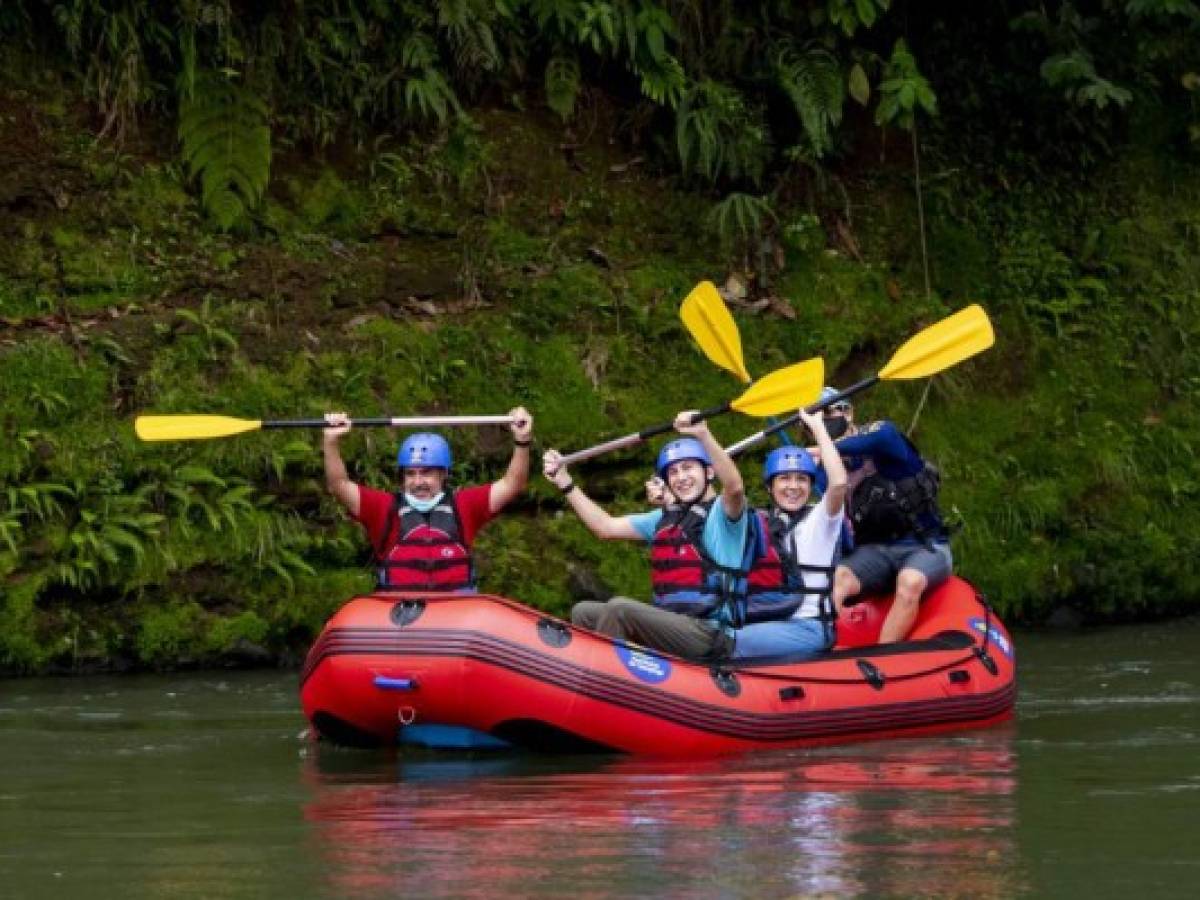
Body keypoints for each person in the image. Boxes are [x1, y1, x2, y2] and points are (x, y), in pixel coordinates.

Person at [542, 412, 752, 661]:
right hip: (672, 623)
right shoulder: (663, 519)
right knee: (584, 612)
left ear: (708, 472)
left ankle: (594, 680)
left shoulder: (724, 514)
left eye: (688, 468)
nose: (681, 477)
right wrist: (566, 483)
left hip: (709, 632)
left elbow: (735, 487)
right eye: (673, 472)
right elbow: (604, 527)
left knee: (621, 609)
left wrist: (703, 435)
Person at [322, 408, 533, 591]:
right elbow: (339, 484)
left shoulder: (464, 505)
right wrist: (331, 442)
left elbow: (512, 484)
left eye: (426, 473)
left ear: (443, 474)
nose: (418, 482)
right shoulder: (384, 507)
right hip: (401, 611)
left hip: (454, 610)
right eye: (410, 474)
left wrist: (522, 441)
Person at [821, 387, 951, 643]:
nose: (830, 419)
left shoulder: (885, 441)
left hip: (924, 546)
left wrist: (821, 448)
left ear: (849, 413)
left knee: (909, 583)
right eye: (821, 416)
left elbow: (883, 434)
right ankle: (822, 651)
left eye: (833, 411)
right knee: (836, 581)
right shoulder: (825, 470)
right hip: (873, 551)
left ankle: (884, 656)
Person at [722, 408, 848, 661]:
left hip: (807, 628)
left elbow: (838, 484)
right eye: (784, 479)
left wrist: (818, 428)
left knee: (720, 641)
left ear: (811, 486)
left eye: (802, 479)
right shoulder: (758, 521)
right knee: (711, 627)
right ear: (770, 487)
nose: (793, 486)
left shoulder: (821, 521)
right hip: (764, 618)